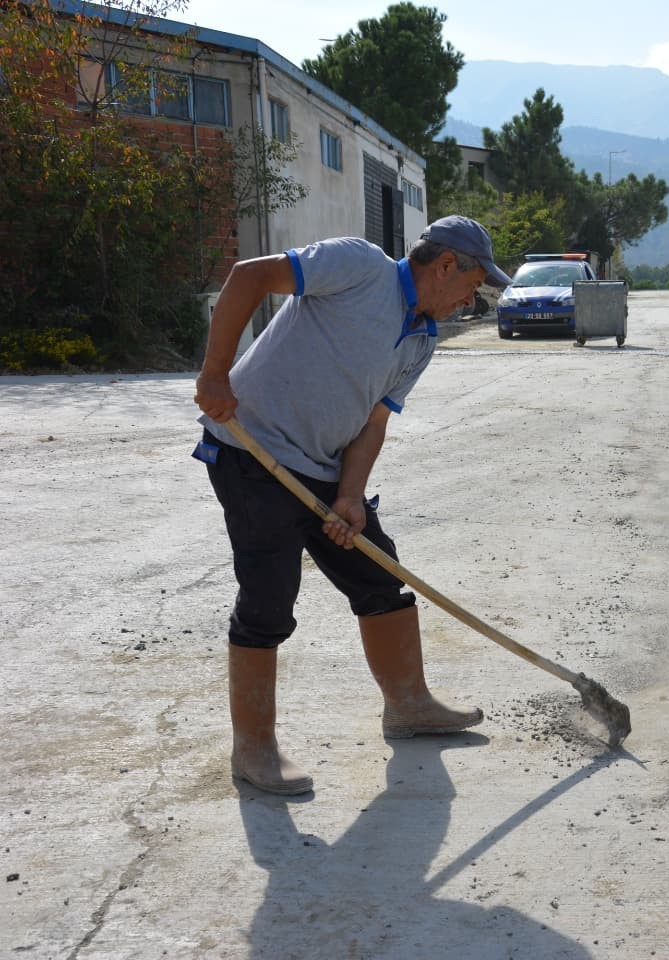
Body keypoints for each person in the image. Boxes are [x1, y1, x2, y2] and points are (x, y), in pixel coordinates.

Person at [192, 216, 513, 796]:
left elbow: (373, 421)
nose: (474, 298)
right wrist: (215, 372)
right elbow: (247, 277)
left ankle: (409, 706)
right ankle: (254, 749)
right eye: (472, 284)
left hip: (325, 470)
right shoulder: (359, 267)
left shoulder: (422, 339)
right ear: (445, 266)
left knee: (379, 574)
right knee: (268, 600)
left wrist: (349, 496)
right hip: (251, 452)